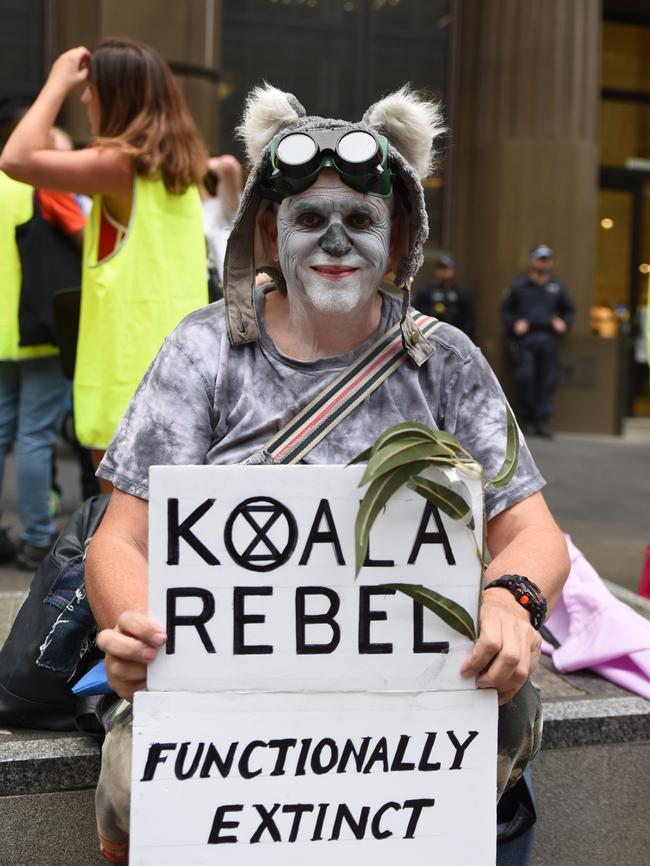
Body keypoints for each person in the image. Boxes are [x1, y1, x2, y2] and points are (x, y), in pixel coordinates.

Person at [83, 85, 569, 863]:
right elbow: (122, 536)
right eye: (311, 219)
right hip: (224, 683)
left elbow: (533, 529)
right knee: (139, 784)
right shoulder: (203, 351)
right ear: (271, 231)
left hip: (413, 685)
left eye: (361, 220)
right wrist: (133, 626)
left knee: (493, 740)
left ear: (399, 232)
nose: (335, 241)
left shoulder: (445, 361)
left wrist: (511, 600)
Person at [0, 39, 209, 487]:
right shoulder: (182, 172)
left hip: (123, 380)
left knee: (120, 532)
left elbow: (15, 158)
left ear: (116, 95)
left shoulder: (119, 166)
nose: (84, 97)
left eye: (91, 88)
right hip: (181, 370)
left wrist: (56, 81)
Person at [0, 102, 84, 569]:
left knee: (2, 433)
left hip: (2, 333)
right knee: (34, 435)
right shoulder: (42, 184)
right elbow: (85, 237)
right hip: (40, 326)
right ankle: (37, 538)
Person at [500, 245, 575, 438]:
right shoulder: (519, 285)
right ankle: (527, 420)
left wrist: (563, 322)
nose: (544, 263)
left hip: (548, 338)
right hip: (526, 339)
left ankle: (543, 421)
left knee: (547, 380)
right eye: (540, 259)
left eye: (547, 259)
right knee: (525, 379)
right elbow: (506, 310)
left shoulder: (557, 286)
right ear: (532, 261)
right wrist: (514, 323)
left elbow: (569, 310)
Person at [201, 153, 243, 292]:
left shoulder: (225, 207)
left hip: (225, 290)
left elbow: (228, 165)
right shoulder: (193, 207)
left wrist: (203, 164)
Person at [413, 254, 475, 338]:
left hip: (454, 338)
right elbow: (415, 313)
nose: (443, 272)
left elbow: (469, 320)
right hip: (430, 336)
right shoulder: (425, 293)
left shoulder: (460, 295)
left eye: (446, 269)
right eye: (441, 269)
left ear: (452, 271)